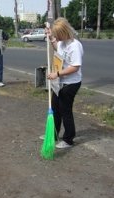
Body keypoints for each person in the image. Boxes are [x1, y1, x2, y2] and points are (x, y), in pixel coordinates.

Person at [46, 17, 84, 149]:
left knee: (65, 111)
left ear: (64, 31)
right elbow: (58, 49)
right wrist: (51, 39)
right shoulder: (62, 42)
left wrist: (56, 74)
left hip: (70, 83)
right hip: (60, 82)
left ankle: (68, 139)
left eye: (58, 34)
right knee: (55, 108)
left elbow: (75, 67)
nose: (57, 37)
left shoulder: (75, 46)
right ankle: (54, 134)